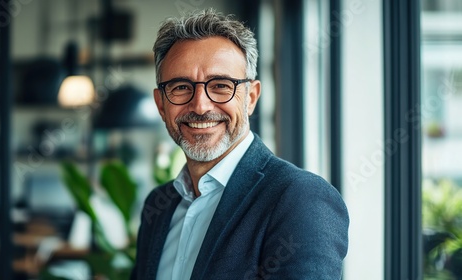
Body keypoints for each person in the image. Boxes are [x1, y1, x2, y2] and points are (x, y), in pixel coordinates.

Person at [131, 8, 349, 280]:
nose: (200, 105)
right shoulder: (159, 206)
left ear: (251, 97)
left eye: (221, 85)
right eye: (181, 87)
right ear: (161, 105)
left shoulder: (300, 198)